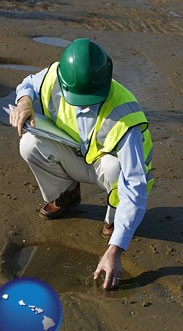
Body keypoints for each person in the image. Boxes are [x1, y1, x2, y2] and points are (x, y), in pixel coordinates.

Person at [10, 38, 154, 290]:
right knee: (29, 143)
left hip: (108, 171)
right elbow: (29, 84)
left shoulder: (125, 114)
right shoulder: (56, 75)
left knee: (114, 167)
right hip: (76, 154)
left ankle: (113, 220)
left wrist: (115, 251)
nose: (86, 104)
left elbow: (134, 184)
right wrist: (24, 101)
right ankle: (67, 195)